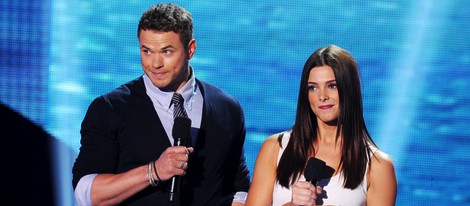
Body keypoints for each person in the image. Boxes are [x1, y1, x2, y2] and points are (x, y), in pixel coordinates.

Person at [72, 3, 251, 205]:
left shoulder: (227, 108)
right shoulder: (109, 108)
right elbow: (85, 193)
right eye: (147, 51)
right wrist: (154, 171)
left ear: (190, 49)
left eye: (166, 52)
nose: (155, 63)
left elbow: (239, 188)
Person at [245, 45, 397, 206]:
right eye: (313, 87)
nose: (322, 96)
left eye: (332, 86)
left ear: (349, 89)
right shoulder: (275, 148)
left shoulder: (378, 167)